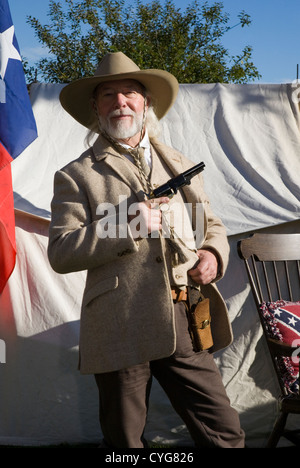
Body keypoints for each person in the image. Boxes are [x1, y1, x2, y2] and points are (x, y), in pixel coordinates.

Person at [47, 51, 245, 448]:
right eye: (108, 95)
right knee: (125, 442)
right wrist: (125, 225)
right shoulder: (76, 175)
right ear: (95, 107)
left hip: (185, 316)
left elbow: (212, 227)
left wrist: (213, 255)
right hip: (119, 323)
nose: (120, 102)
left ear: (146, 103)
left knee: (224, 433)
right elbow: (62, 251)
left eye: (130, 93)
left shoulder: (178, 164)